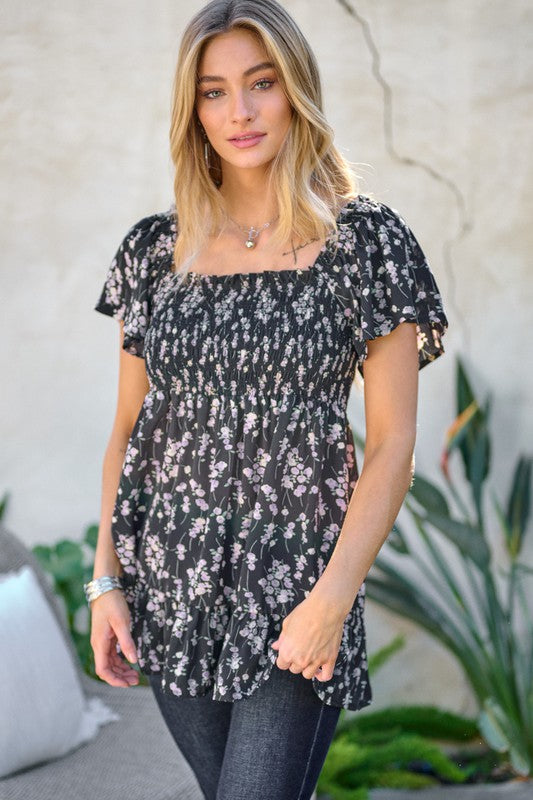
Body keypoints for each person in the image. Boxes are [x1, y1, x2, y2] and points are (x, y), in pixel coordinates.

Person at [85, 1, 449, 798]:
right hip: (167, 585)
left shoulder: (368, 244)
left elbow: (391, 445)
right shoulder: (155, 250)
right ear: (193, 110)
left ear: (297, 91)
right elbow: (126, 431)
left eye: (261, 83)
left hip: (296, 592)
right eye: (213, 92)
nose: (239, 112)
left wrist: (330, 601)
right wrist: (106, 581)